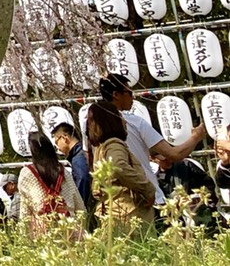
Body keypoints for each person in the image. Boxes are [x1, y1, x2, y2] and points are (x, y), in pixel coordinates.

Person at [99, 72, 206, 212]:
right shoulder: (134, 122)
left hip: (115, 203)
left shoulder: (94, 127)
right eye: (129, 92)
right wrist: (196, 137)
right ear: (116, 95)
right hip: (147, 198)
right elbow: (174, 154)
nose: (133, 96)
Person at [86, 101, 155, 234]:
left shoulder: (100, 148)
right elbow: (118, 165)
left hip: (113, 213)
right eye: (120, 116)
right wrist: (147, 188)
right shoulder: (114, 144)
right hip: (129, 215)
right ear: (112, 121)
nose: (124, 121)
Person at [16, 131, 85, 237]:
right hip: (69, 228)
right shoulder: (63, 171)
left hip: (43, 231)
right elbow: (79, 204)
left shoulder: (27, 173)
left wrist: (23, 235)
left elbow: (25, 210)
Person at [52, 121, 92, 222]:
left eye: (57, 142)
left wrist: (79, 207)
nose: (58, 148)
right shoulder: (82, 153)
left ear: (64, 138)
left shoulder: (78, 158)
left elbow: (83, 180)